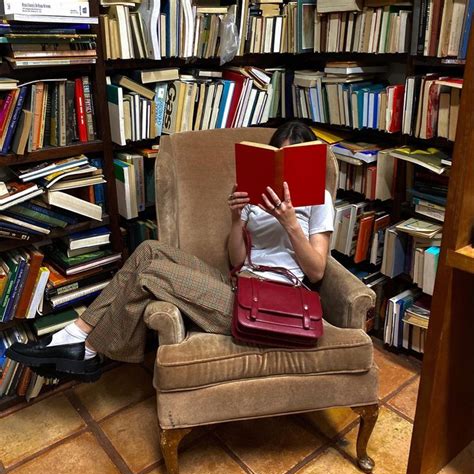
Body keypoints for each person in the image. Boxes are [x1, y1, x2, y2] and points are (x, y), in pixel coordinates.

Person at [6, 121, 334, 381]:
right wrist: (236, 218)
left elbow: (316, 270)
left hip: (270, 306)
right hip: (240, 286)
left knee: (151, 274)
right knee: (149, 250)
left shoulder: (319, 200)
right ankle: (75, 334)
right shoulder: (257, 197)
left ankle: (87, 349)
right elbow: (237, 259)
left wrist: (291, 224)